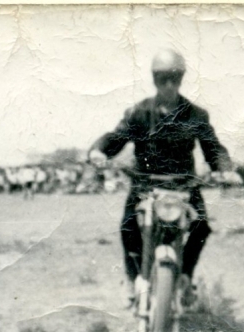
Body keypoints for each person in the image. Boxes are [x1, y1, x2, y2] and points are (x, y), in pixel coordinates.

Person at [89, 49, 234, 306]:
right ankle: (134, 280)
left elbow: (213, 147)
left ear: (182, 78)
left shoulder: (196, 115)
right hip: (145, 184)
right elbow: (116, 137)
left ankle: (186, 277)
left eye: (174, 78)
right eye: (162, 78)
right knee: (128, 226)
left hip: (184, 185)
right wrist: (98, 151)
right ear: (154, 79)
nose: (169, 84)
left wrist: (225, 168)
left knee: (201, 226)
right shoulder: (139, 112)